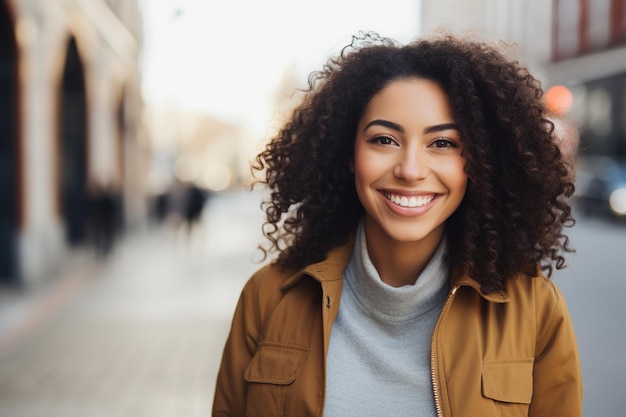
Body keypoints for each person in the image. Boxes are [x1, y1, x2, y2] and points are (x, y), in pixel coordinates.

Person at [213, 32, 582, 417]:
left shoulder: (537, 311)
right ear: (349, 153)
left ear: (479, 164)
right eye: (385, 139)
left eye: (442, 144)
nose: (409, 170)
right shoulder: (267, 297)